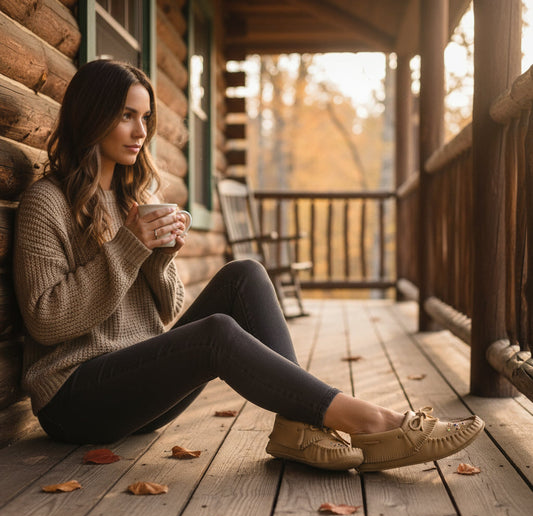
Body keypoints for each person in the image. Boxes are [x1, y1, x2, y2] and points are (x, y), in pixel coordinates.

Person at [13, 59, 484, 473]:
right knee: (215, 332)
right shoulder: (47, 202)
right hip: (74, 401)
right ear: (92, 116)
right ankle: (367, 419)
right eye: (126, 116)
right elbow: (47, 320)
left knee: (246, 274)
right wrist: (130, 247)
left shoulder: (131, 201)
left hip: (135, 392)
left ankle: (300, 426)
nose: (141, 132)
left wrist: (159, 255)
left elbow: (165, 310)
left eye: (146, 118)